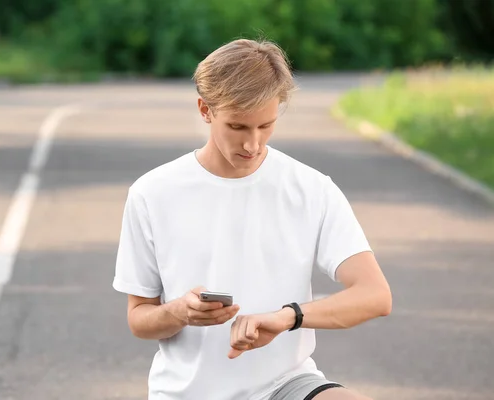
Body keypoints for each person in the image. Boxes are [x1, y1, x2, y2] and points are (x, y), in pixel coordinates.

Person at [112, 38, 392, 400]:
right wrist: (180, 311)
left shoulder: (311, 189)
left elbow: (375, 295)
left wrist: (287, 317)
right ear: (205, 109)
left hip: (285, 386)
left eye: (266, 126)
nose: (253, 144)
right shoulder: (152, 193)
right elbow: (139, 319)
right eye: (238, 127)